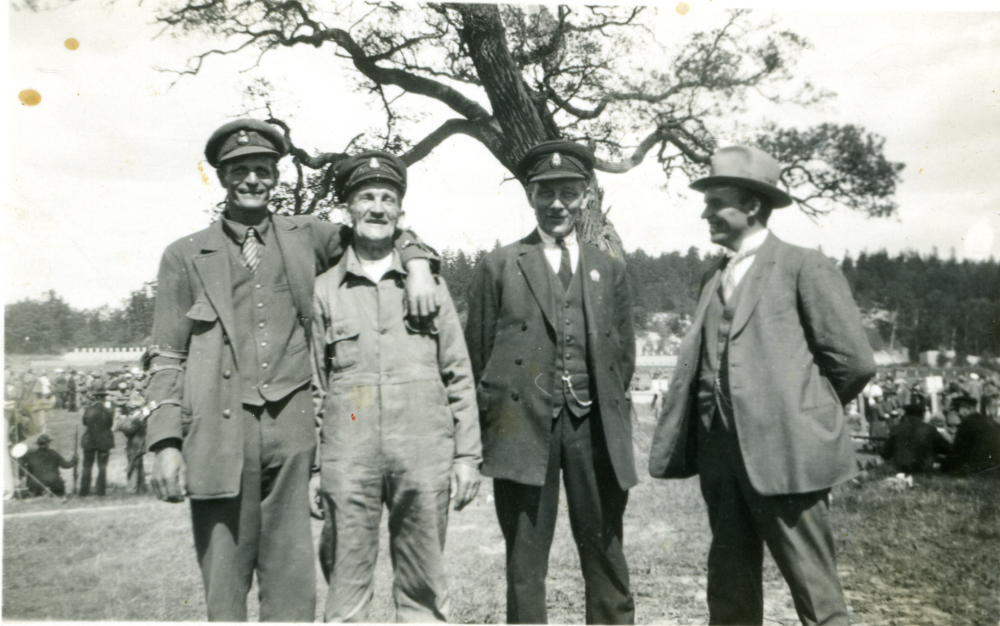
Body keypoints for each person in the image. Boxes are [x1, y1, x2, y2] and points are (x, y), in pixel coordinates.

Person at [143, 119, 440, 622]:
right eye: (241, 171)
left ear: (277, 177)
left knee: (292, 586)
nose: (253, 180)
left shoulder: (309, 237)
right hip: (217, 432)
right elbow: (166, 355)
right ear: (221, 177)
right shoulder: (185, 255)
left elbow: (379, 231)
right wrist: (165, 442)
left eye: (263, 169)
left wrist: (415, 263)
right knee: (224, 583)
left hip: (293, 432)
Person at [648, 145, 876, 626]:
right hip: (720, 456)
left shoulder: (802, 266)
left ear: (752, 206)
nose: (705, 213)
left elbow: (853, 363)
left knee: (815, 591)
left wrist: (800, 414)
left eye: (716, 203)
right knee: (729, 587)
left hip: (788, 454)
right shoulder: (712, 275)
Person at [465, 140, 637, 624]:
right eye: (546, 193)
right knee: (525, 561)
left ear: (585, 196)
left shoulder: (610, 269)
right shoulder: (500, 265)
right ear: (530, 197)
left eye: (568, 192)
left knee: (604, 551)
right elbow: (478, 352)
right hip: (523, 429)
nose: (557, 203)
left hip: (592, 429)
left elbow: (622, 355)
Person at [311, 151, 482, 622]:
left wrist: (467, 456)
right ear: (348, 209)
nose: (378, 208)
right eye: (366, 197)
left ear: (401, 214)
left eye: (388, 199)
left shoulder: (430, 285)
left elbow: (457, 372)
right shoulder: (324, 290)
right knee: (345, 590)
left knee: (424, 588)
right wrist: (313, 466)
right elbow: (317, 387)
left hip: (424, 453)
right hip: (348, 455)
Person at [881, 404, 951, 474]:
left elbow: (885, 453)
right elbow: (947, 449)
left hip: (900, 472)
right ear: (923, 415)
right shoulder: (930, 429)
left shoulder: (896, 429)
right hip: (923, 471)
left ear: (906, 415)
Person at [942, 395, 1000, 476]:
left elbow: (957, 453)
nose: (957, 414)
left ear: (966, 409)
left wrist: (943, 466)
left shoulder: (967, 423)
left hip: (980, 470)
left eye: (956, 410)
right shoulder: (991, 421)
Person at [80, 391, 115, 496]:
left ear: (94, 398)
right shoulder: (109, 411)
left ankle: (84, 491)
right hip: (104, 440)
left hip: (90, 440)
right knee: (102, 466)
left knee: (87, 466)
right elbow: (110, 424)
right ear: (104, 398)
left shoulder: (88, 410)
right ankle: (101, 491)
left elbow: (85, 423)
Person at [20, 433, 77, 497]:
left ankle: (37, 494)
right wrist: (74, 461)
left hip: (37, 485)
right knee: (59, 491)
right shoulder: (53, 453)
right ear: (47, 443)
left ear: (38, 444)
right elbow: (65, 465)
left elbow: (29, 472)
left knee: (38, 495)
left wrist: (29, 486)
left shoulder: (32, 455)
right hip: (54, 483)